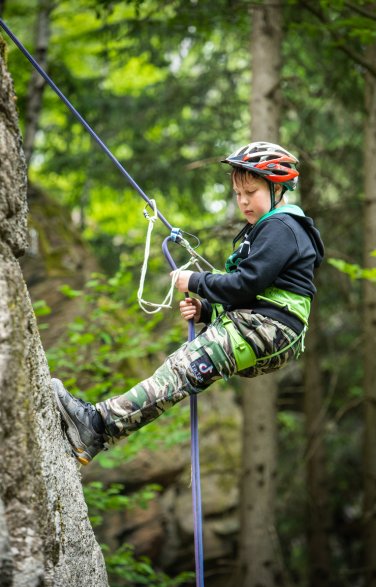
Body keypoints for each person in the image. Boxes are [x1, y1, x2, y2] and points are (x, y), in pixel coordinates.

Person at [53, 141, 324, 465]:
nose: (243, 201)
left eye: (250, 192)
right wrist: (207, 311)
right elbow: (255, 292)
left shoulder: (282, 226)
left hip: (269, 328)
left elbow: (245, 284)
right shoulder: (267, 230)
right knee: (181, 369)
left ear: (277, 188)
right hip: (267, 330)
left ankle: (94, 425)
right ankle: (94, 433)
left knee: (178, 372)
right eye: (238, 194)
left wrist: (194, 281)